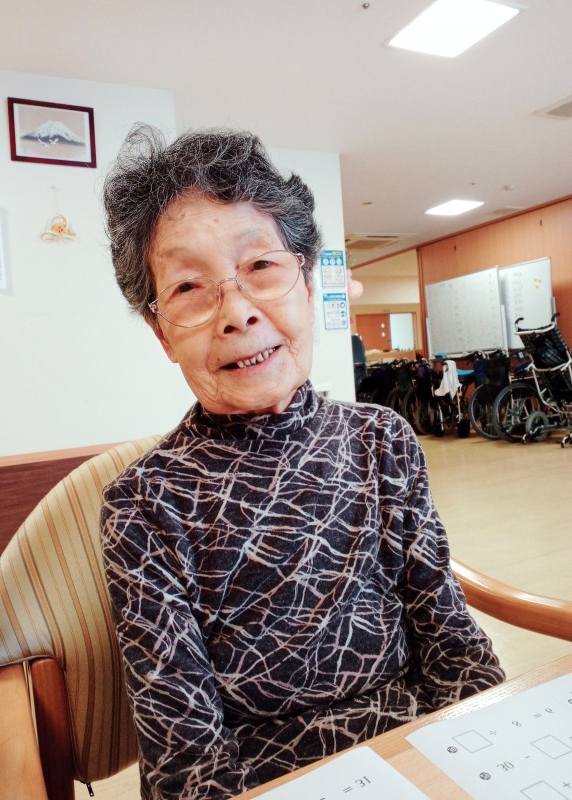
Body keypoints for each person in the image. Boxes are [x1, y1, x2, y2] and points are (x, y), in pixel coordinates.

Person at [100, 124, 504, 800]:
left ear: (310, 283)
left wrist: (488, 752)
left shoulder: (381, 440)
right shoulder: (144, 504)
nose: (237, 313)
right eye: (189, 287)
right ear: (160, 332)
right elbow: (186, 758)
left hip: (420, 754)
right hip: (266, 781)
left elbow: (451, 642)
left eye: (261, 266)